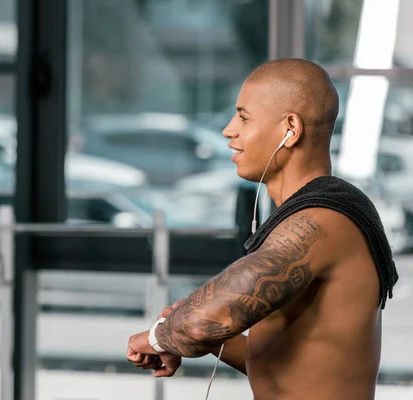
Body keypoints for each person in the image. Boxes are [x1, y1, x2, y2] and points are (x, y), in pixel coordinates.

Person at [126, 58, 399, 400]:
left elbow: (199, 321)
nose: (228, 130)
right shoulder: (305, 214)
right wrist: (209, 336)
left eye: (243, 117)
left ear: (290, 129)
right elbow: (279, 365)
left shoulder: (320, 221)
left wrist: (159, 336)